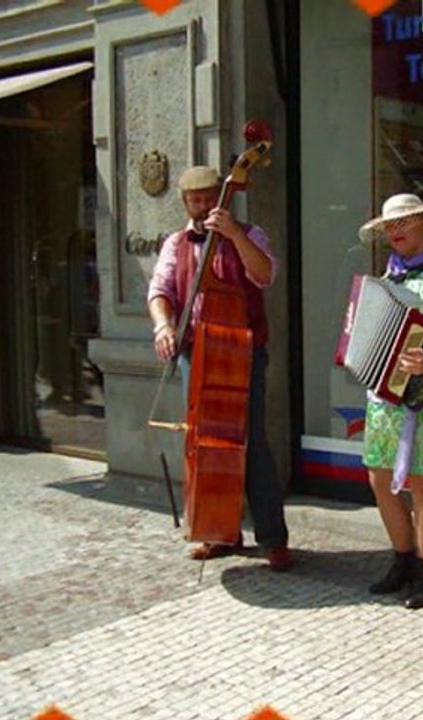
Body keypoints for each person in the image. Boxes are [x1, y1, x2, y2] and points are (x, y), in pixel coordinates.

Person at [147, 165, 291, 570]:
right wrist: (163, 326)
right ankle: (217, 530)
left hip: (241, 353)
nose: (203, 206)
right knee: (204, 443)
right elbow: (159, 290)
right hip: (195, 353)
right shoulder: (176, 243)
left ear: (223, 198)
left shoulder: (250, 233)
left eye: (209, 198)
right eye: (195, 200)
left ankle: (273, 538)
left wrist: (233, 236)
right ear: (185, 203)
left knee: (252, 444)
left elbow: (265, 275)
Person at [358, 193, 423, 609]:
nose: (395, 231)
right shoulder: (390, 273)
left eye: (403, 222)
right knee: (378, 477)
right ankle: (401, 559)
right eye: (389, 226)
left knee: (421, 482)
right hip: (386, 394)